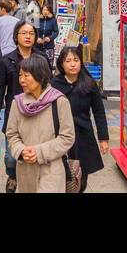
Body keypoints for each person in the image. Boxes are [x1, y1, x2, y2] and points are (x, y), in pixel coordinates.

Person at [0, 19, 50, 192]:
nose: (28, 36)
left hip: (39, 111)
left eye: (31, 33)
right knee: (11, 157)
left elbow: (48, 85)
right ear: (16, 36)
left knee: (35, 151)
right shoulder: (6, 61)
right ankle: (13, 175)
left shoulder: (41, 58)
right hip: (14, 114)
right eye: (24, 33)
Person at [5, 55, 76, 193]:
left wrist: (39, 152)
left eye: (26, 76)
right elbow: (11, 135)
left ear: (40, 76)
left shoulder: (59, 102)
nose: (21, 80)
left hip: (52, 169)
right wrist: (21, 150)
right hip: (25, 170)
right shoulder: (17, 103)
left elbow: (67, 137)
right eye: (20, 76)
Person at [50, 45, 109, 193]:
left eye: (76, 60)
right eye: (68, 60)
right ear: (61, 64)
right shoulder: (54, 84)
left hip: (83, 134)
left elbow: (99, 112)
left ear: (81, 62)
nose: (72, 64)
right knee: (61, 171)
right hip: (60, 134)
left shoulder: (89, 84)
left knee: (82, 175)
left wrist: (103, 138)